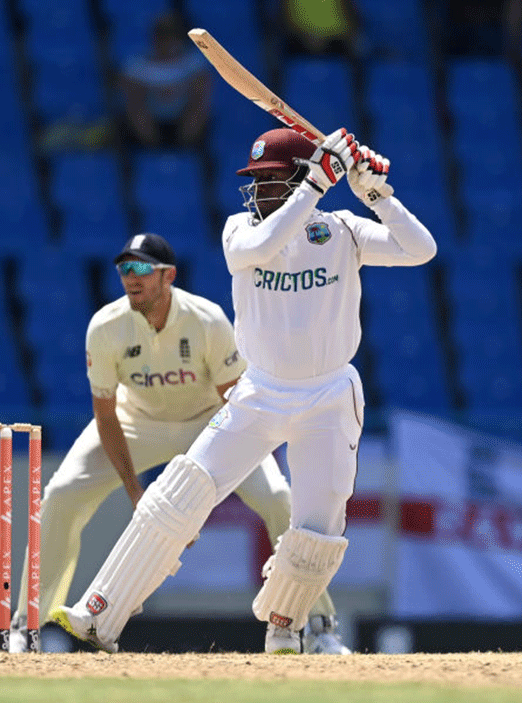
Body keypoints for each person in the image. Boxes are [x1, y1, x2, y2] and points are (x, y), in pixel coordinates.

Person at [51, 127, 436, 654]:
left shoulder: (342, 231)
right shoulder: (240, 230)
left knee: (317, 529)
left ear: (300, 177)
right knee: (177, 494)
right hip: (259, 393)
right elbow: (260, 245)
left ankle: (285, 630)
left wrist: (375, 195)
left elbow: (420, 249)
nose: (257, 192)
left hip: (328, 396)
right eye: (254, 182)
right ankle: (100, 614)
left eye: (270, 181)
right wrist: (312, 186)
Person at [6, 232, 349, 654]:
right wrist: (137, 491)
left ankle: (318, 625)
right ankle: (26, 626)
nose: (130, 278)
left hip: (210, 420)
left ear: (168, 275)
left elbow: (236, 402)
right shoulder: (106, 326)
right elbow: (107, 412)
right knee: (61, 495)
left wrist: (198, 501)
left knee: (278, 497)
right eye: (124, 269)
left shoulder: (207, 321)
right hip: (137, 421)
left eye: (140, 270)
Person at [119, 12, 211, 149]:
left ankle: (185, 153)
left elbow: (199, 104)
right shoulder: (137, 68)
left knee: (198, 115)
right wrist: (151, 141)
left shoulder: (193, 66)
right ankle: (152, 155)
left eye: (170, 37)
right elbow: (134, 106)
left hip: (184, 125)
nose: (166, 42)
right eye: (162, 37)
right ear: (154, 39)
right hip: (147, 129)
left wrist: (185, 139)